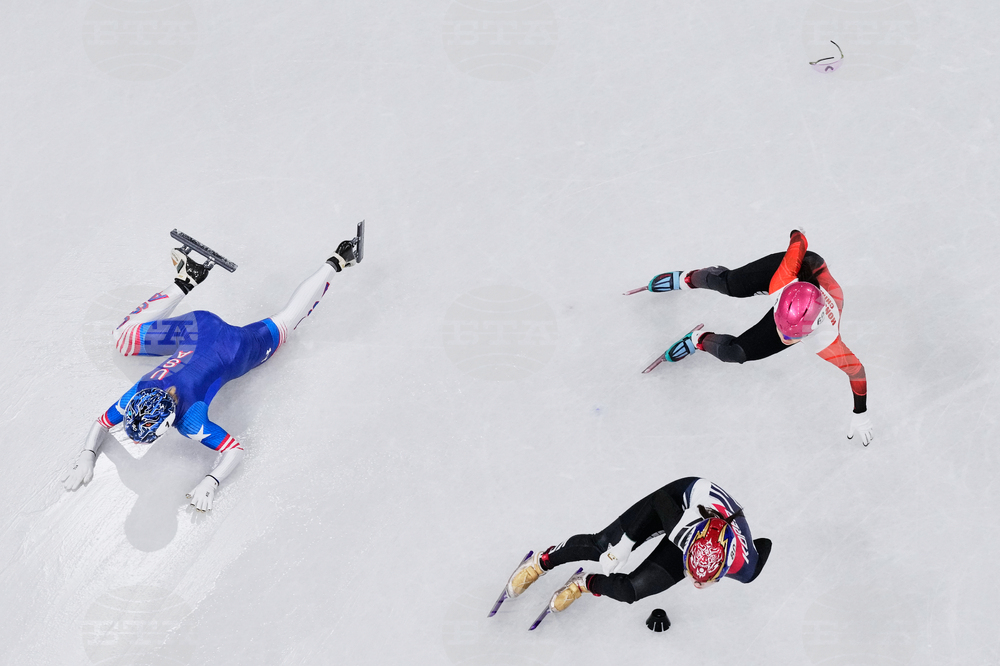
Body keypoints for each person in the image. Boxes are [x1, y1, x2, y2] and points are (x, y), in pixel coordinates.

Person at [59, 235, 360, 511]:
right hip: (198, 327)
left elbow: (235, 451)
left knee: (287, 320)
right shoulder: (138, 395)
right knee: (123, 336)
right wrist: (88, 453)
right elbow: (102, 422)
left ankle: (338, 261)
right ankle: (187, 278)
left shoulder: (190, 421)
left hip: (237, 349)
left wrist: (211, 481)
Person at [647, 229, 872, 446]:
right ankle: (689, 279)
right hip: (798, 273)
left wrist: (860, 413)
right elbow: (799, 241)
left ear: (812, 329)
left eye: (790, 336)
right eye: (781, 329)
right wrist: (796, 234)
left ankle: (698, 339)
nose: (783, 338)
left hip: (807, 293)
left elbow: (856, 370)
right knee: (729, 284)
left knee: (734, 353)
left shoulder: (826, 338)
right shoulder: (781, 280)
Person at [505, 478, 770, 615]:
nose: (695, 582)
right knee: (601, 546)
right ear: (687, 550)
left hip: (704, 538)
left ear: (724, 571)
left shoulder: (747, 569)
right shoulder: (683, 530)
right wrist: (624, 545)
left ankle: (582, 583)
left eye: (702, 578)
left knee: (631, 590)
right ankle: (542, 562)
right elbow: (658, 501)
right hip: (677, 501)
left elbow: (763, 545)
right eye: (690, 571)